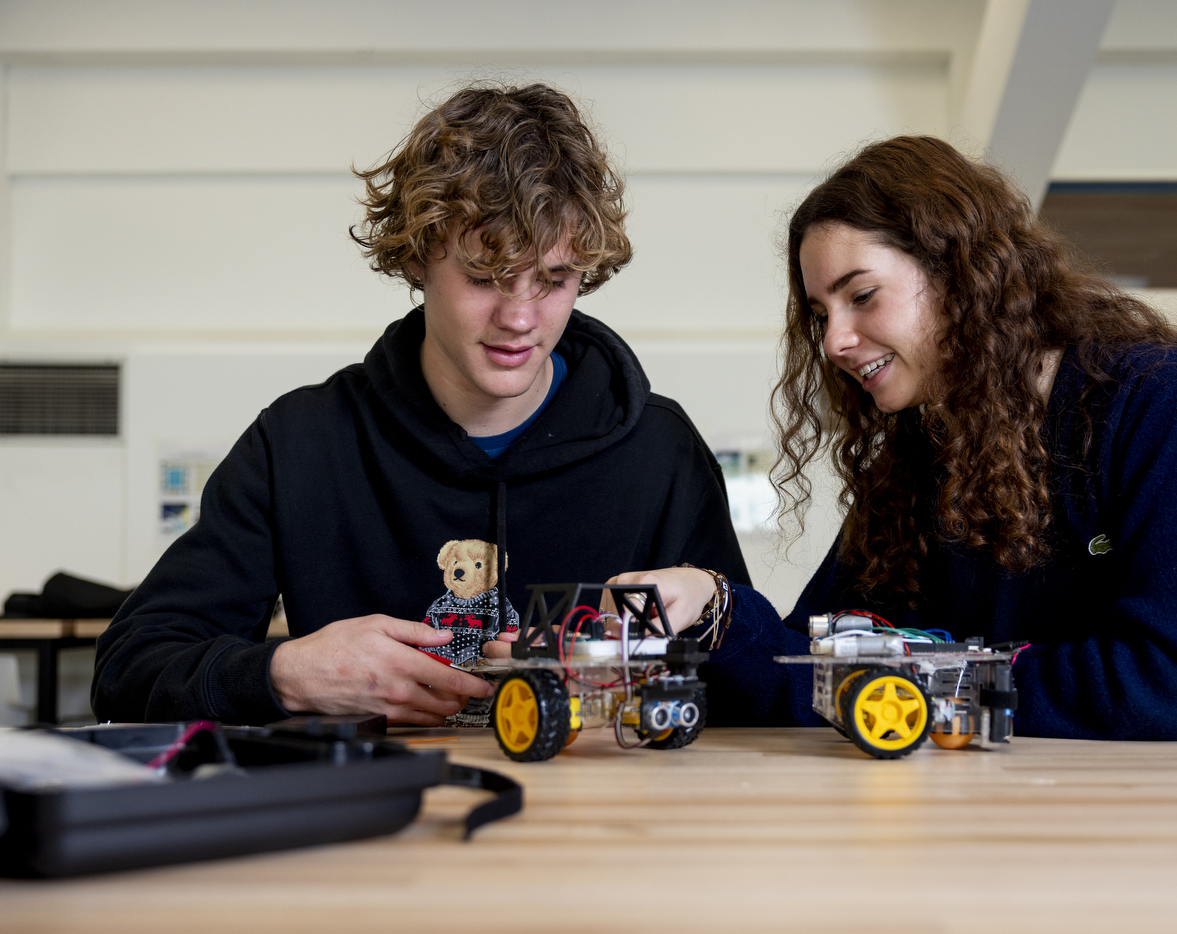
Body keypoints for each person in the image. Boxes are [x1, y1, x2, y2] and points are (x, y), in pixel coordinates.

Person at [92, 82, 747, 727]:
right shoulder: (299, 444)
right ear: (417, 259)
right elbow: (130, 667)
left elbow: (749, 692)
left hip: (604, 823)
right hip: (378, 818)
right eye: (485, 277)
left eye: (553, 279)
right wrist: (285, 673)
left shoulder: (659, 450)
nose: (520, 318)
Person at [614, 135, 1177, 739]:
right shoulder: (917, 453)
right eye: (820, 313)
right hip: (1008, 814)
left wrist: (915, 680)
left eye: (861, 296)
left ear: (961, 273)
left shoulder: (1157, 395)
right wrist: (717, 610)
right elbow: (817, 674)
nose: (834, 341)